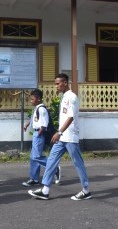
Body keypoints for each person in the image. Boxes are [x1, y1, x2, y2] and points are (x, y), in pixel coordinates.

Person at [28, 73, 92, 201]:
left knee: (78, 163)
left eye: (58, 83)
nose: (56, 86)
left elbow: (71, 117)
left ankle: (86, 190)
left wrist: (59, 132)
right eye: (55, 83)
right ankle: (45, 190)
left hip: (70, 136)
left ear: (65, 83)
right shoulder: (64, 97)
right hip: (62, 137)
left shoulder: (72, 97)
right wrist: (59, 133)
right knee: (51, 161)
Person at [22, 89, 61, 187]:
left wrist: (39, 134)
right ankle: (34, 179)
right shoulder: (36, 108)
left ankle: (55, 168)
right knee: (33, 157)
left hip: (39, 134)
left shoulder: (42, 109)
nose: (31, 101)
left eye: (32, 99)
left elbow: (44, 124)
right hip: (36, 134)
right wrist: (27, 124)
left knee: (36, 156)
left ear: (39, 99)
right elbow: (34, 119)